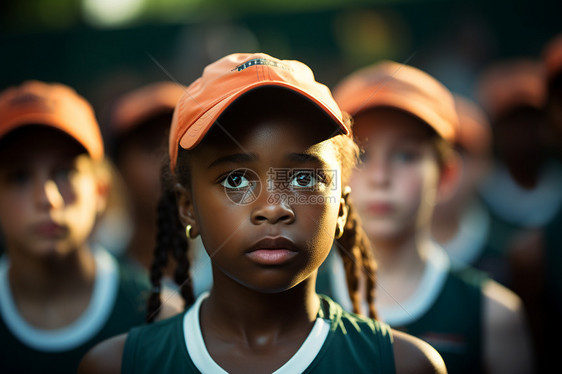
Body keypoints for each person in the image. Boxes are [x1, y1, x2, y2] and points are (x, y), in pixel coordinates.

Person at [78, 52, 447, 374]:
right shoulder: (120, 366)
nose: (273, 207)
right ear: (187, 208)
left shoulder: (404, 365)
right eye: (236, 179)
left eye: (303, 177)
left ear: (341, 208)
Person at [329, 61, 534, 374]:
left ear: (446, 175)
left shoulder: (492, 314)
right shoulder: (290, 300)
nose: (380, 177)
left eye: (405, 155)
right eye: (362, 155)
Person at [0, 81, 177, 374]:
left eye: (66, 172)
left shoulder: (159, 316)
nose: (47, 198)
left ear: (100, 189)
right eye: (19, 177)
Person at [106, 81, 212, 297]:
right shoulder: (99, 274)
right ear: (117, 167)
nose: (168, 161)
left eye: (182, 145)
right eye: (150, 147)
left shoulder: (232, 263)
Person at [431, 94, 499, 275]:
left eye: (460, 152)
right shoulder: (382, 243)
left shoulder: (505, 248)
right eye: (438, 154)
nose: (446, 168)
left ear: (484, 167)